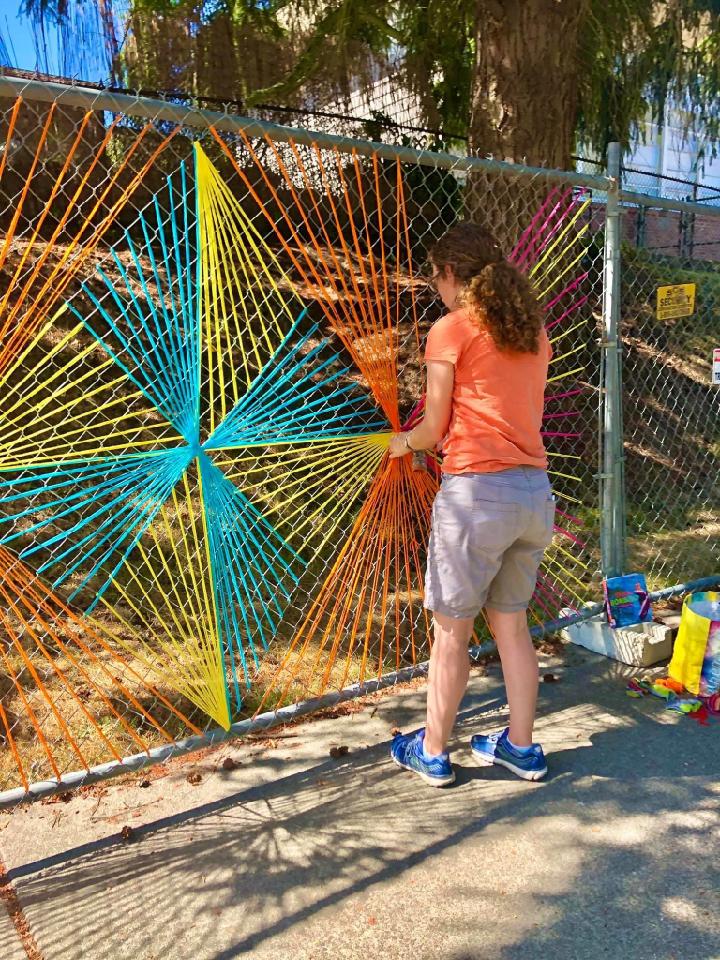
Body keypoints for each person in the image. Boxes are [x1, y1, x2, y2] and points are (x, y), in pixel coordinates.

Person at [388, 221, 556, 786]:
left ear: (452, 274)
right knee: (512, 628)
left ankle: (432, 751)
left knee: (451, 633)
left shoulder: (450, 330)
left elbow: (433, 428)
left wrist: (402, 442)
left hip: (477, 498)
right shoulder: (533, 333)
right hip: (534, 496)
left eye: (435, 277)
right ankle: (520, 747)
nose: (436, 287)